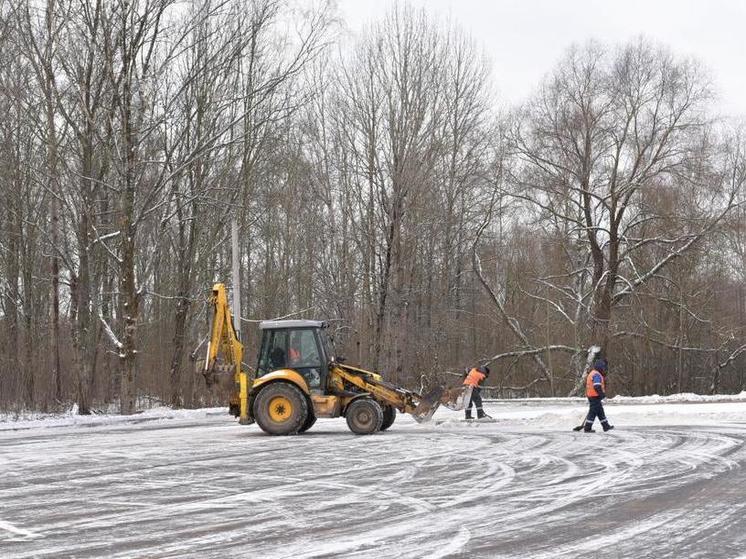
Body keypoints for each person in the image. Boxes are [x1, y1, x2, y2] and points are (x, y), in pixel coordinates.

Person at [582, 359, 614, 432]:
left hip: (593, 396)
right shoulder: (596, 375)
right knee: (592, 412)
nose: (604, 369)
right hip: (594, 396)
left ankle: (606, 426)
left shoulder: (593, 373)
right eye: (603, 367)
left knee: (600, 411)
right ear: (600, 367)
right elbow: (597, 386)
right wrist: (602, 396)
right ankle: (587, 428)